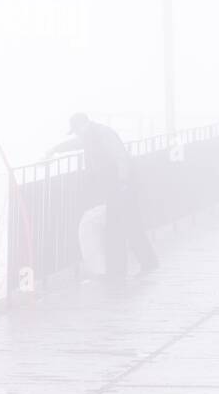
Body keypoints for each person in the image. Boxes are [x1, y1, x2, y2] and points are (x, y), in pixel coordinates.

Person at [48, 113, 159, 281]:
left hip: (120, 185)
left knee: (116, 226)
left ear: (83, 125)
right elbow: (75, 144)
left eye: (77, 130)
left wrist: (123, 181)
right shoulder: (91, 135)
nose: (77, 134)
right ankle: (147, 262)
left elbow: (120, 157)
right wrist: (55, 149)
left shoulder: (103, 134)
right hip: (115, 185)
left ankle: (118, 271)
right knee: (129, 222)